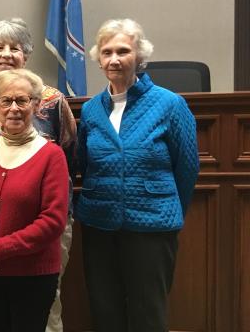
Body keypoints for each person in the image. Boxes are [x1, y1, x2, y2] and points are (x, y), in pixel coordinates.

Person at [76, 19, 198, 331]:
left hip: (151, 227)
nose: (114, 59)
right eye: (106, 52)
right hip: (99, 224)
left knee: (148, 313)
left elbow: (186, 168)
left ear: (139, 56)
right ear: (98, 59)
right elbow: (85, 164)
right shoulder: (90, 110)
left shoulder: (170, 104)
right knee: (105, 309)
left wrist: (166, 211)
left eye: (122, 51)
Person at [0, 18, 76, 332]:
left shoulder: (52, 101)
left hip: (41, 234)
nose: (7, 54)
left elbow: (69, 153)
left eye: (16, 48)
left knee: (46, 311)